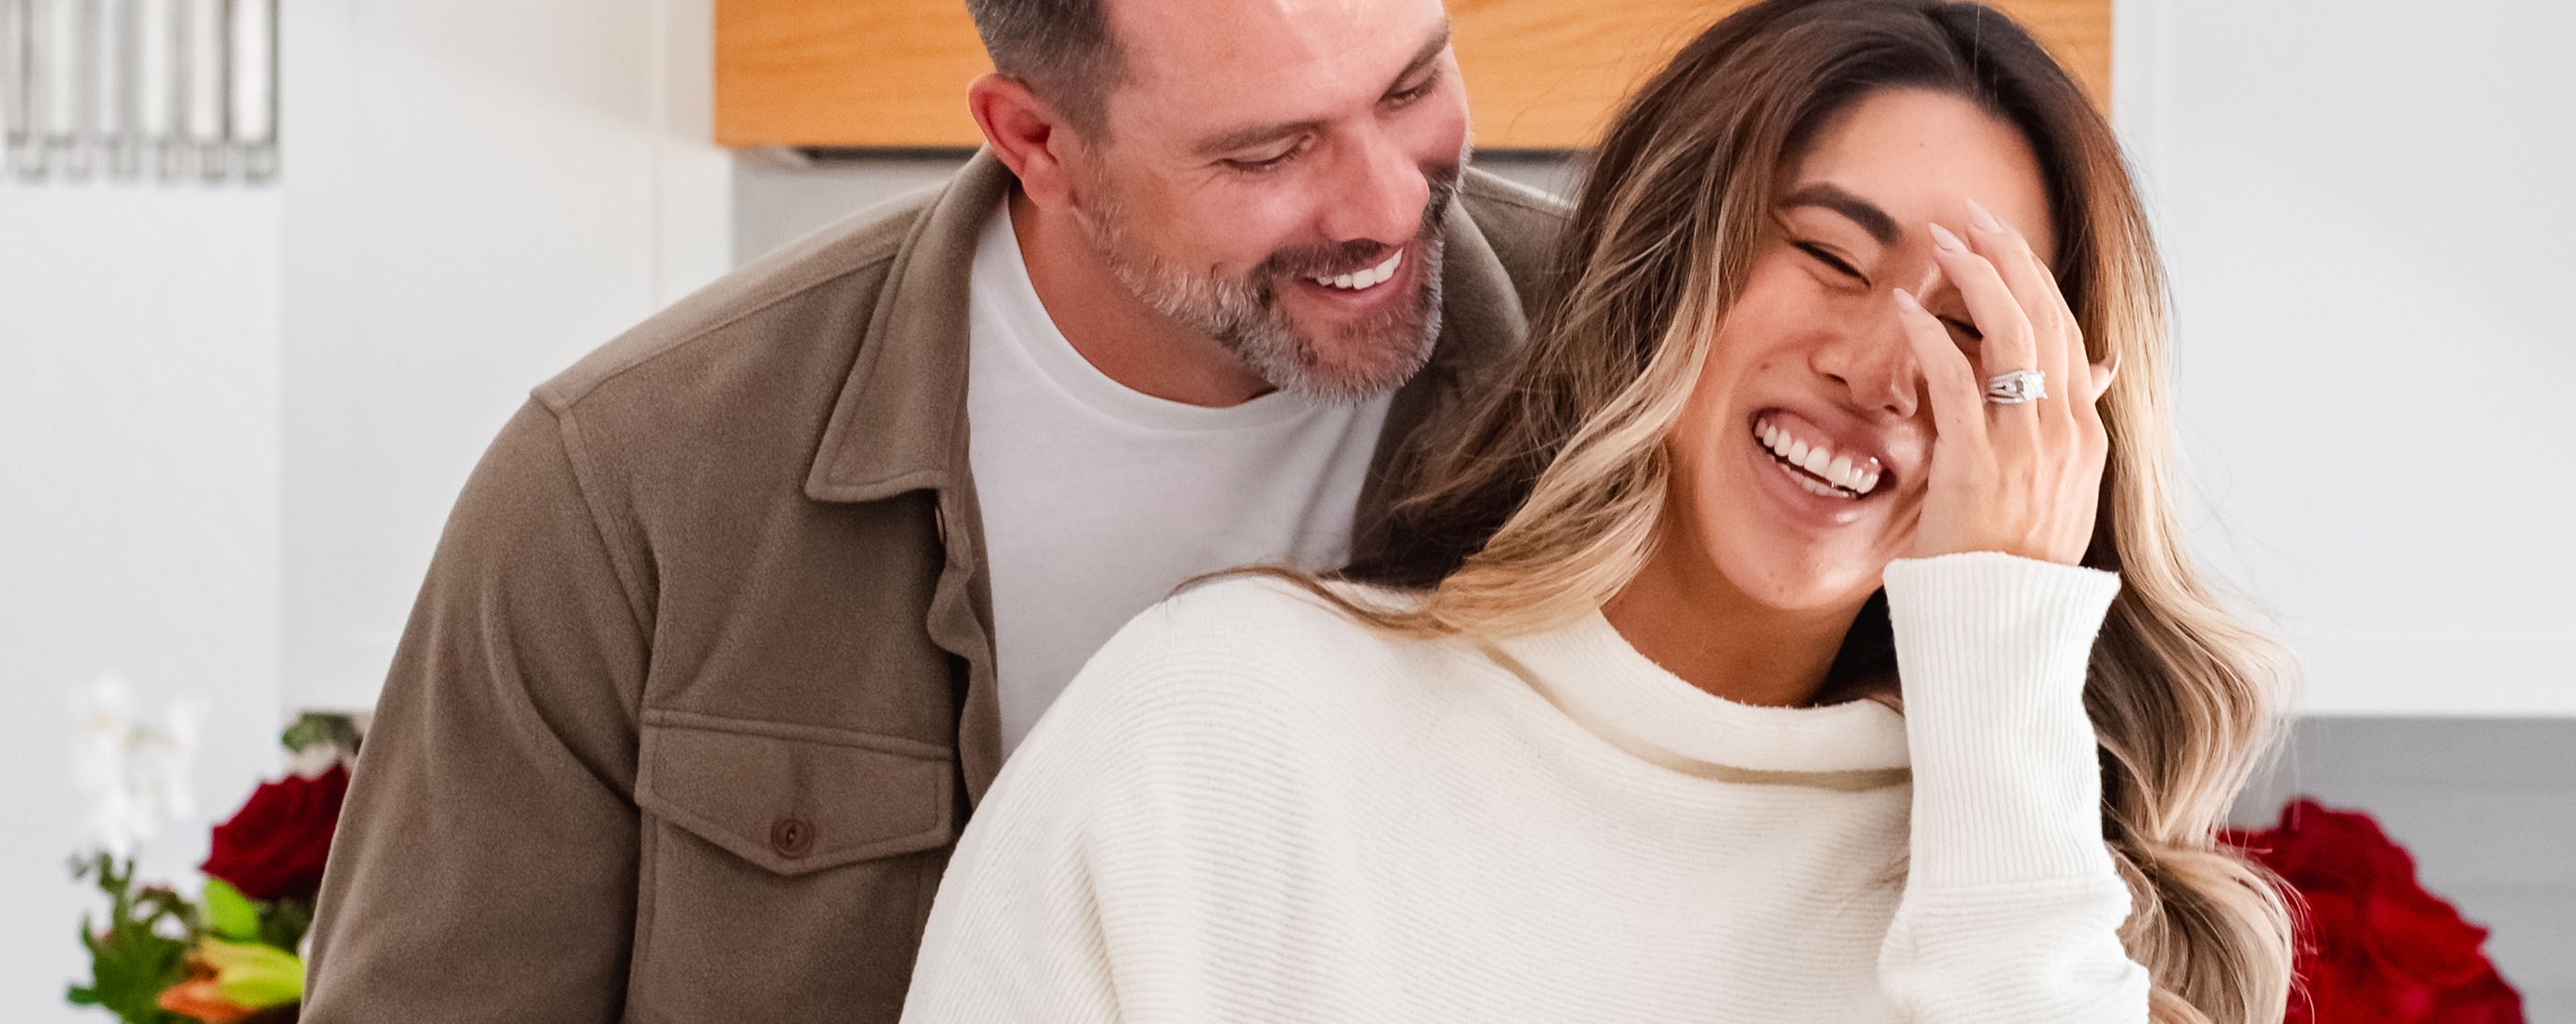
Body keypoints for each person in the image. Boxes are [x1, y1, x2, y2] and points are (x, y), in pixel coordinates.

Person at [896, 0, 2298, 1021]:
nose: (1882, 370)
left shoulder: (2043, 903)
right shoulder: (1220, 733)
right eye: (1826, 255)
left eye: (1978, 330)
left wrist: (2000, 643)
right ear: (1663, 265)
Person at [295, 0, 1566, 1018]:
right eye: (1269, 151)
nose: (1389, 203)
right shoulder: (624, 487)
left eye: (1411, 87)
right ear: (1037, 141)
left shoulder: (1647, 364)